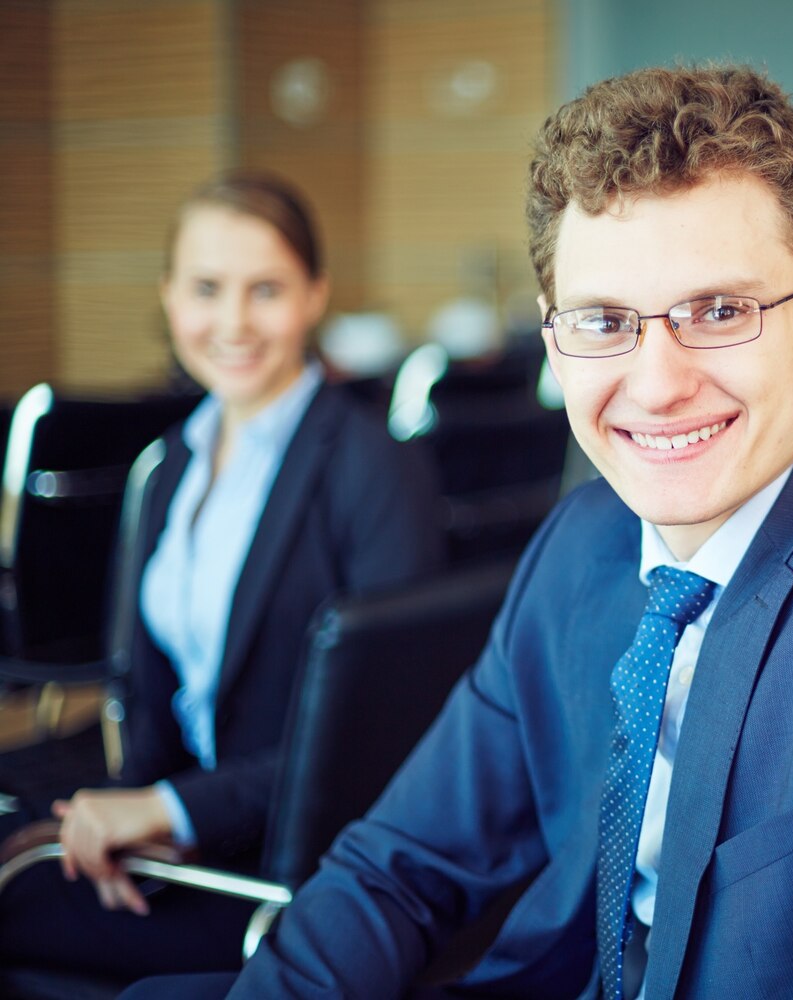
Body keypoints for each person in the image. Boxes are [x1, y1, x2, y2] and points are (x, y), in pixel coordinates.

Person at [131, 65, 793, 999]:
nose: (657, 385)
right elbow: (398, 866)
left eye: (720, 311)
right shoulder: (581, 544)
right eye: (604, 321)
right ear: (554, 341)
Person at [0, 172, 446, 979]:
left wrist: (172, 808)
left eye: (265, 290)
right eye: (207, 289)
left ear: (314, 296)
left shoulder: (375, 470)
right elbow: (154, 701)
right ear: (169, 297)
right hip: (188, 845)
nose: (233, 322)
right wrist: (133, 816)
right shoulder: (173, 462)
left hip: (301, 875)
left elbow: (385, 741)